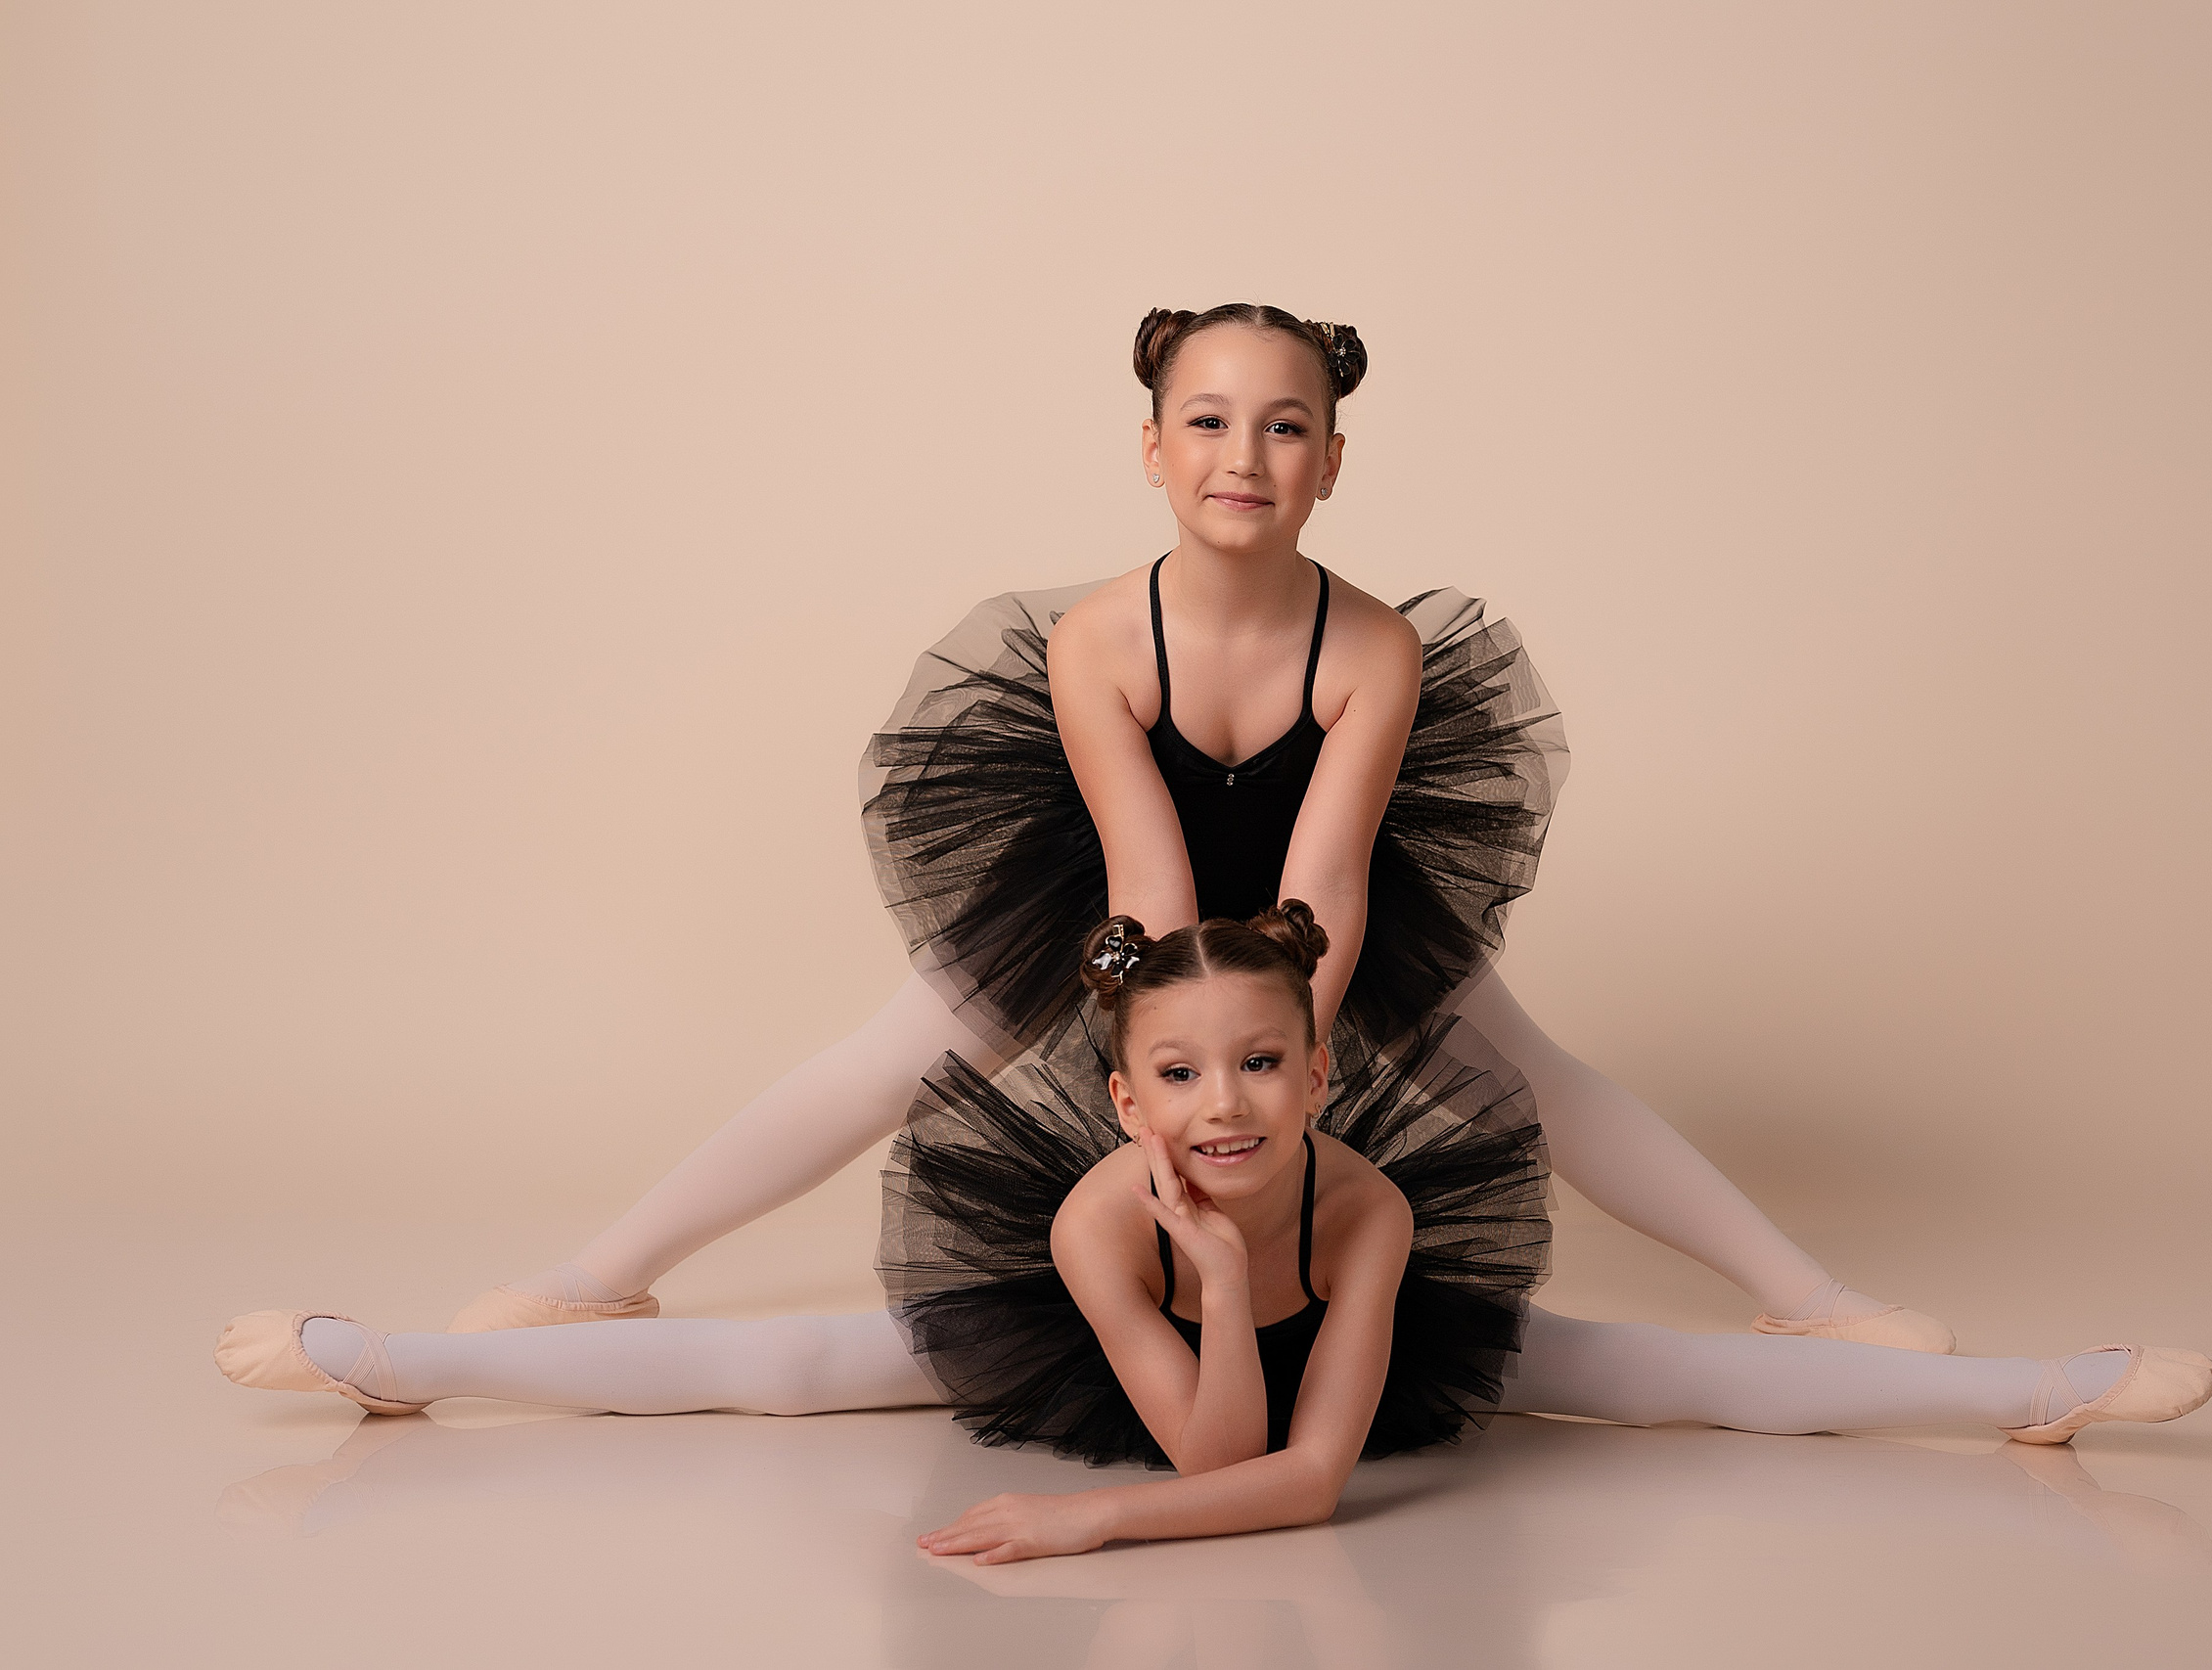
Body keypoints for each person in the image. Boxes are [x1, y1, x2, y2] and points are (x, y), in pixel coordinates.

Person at [441, 302, 1950, 1360]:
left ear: (1332, 461)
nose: (1247, 455)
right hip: (1118, 916)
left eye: (1288, 428)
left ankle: (1809, 1297)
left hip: (1313, 925)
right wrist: (1171, 1080)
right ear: (1154, 447)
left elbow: (1330, 878)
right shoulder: (1099, 640)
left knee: (1531, 1078)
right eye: (1210, 422)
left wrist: (1284, 1074)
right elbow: (1146, 881)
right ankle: (601, 1275)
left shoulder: (1374, 648)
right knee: (896, 1055)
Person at [215, 908, 2212, 1564]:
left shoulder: (1372, 1199)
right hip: (1133, 1344)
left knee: (1652, 1377)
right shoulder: (1102, 1209)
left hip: (1302, 1349)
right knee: (789, 1361)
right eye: (1180, 1076)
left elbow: (1298, 1475)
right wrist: (1189, 1267)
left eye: (1265, 1065)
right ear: (1124, 1103)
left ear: (1323, 1071)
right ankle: (407, 1357)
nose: (1227, 1106)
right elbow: (1202, 1445)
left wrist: (1091, 1522)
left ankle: (2032, 1391)